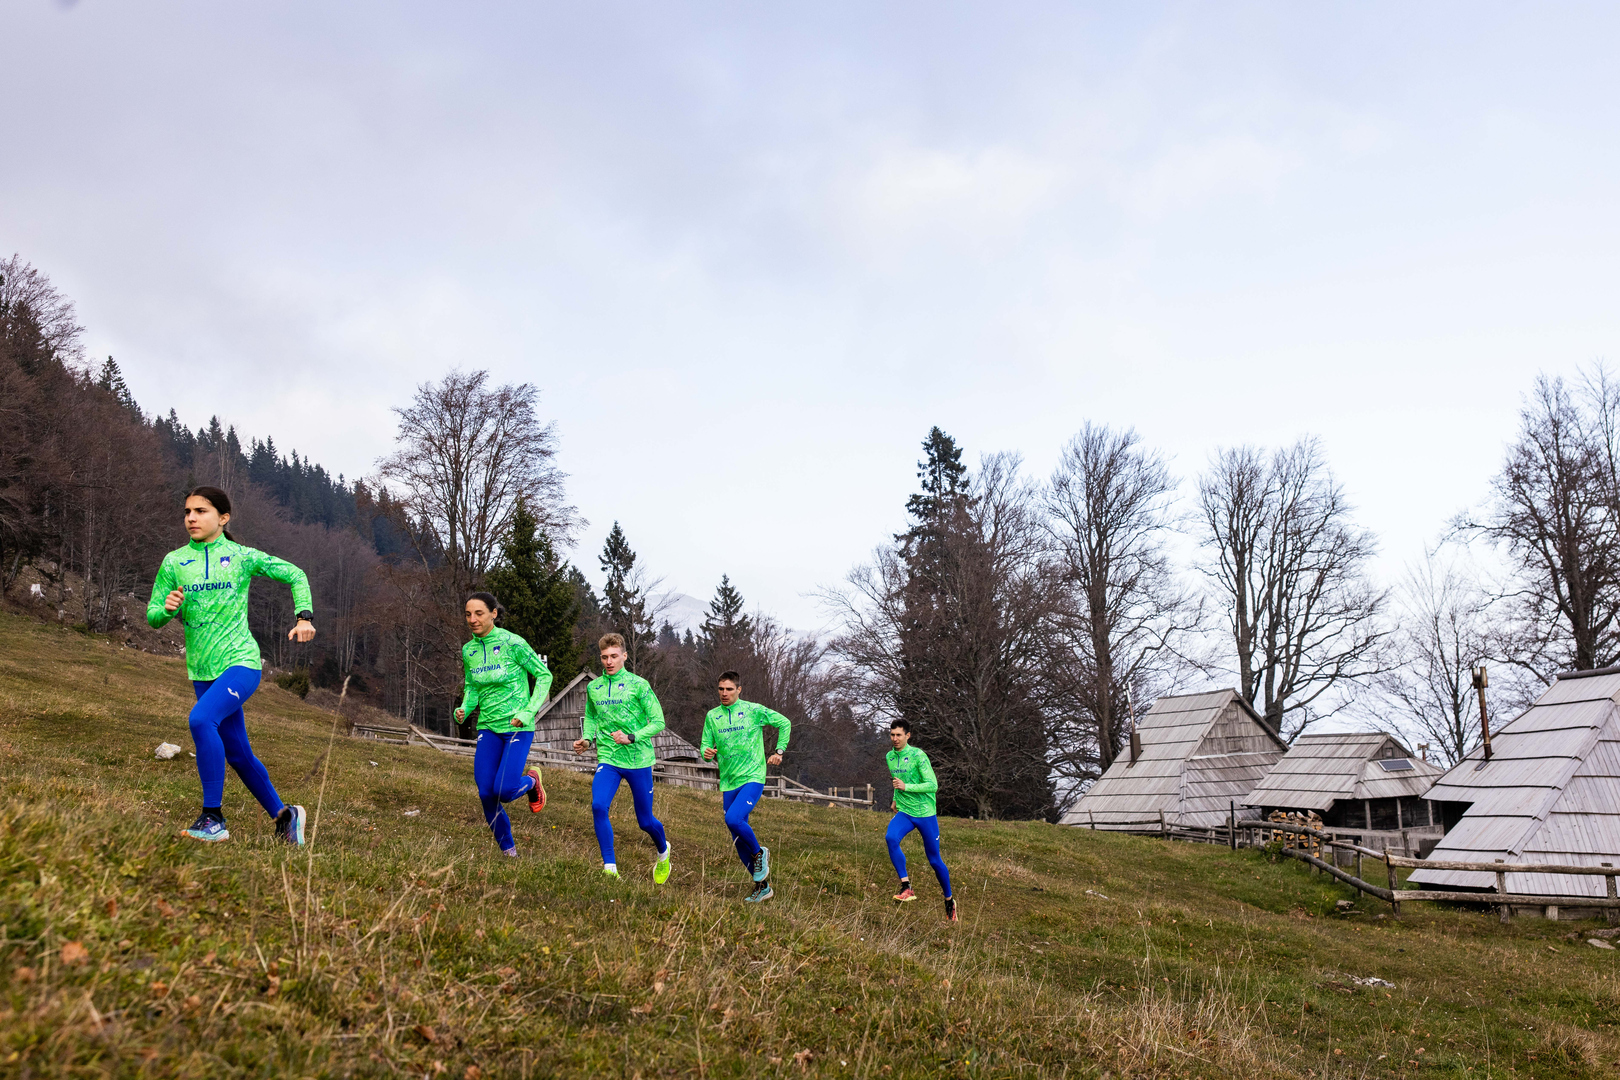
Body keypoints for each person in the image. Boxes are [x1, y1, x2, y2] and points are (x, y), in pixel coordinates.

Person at [146, 486, 315, 845]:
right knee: (237, 752)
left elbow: (296, 574)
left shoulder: (241, 556)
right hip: (201, 670)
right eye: (187, 511)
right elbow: (153, 616)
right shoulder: (174, 562)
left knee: (200, 720)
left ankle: (213, 818)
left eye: (201, 511)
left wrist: (303, 617)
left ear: (223, 518)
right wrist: (167, 609)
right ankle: (286, 817)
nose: (191, 518)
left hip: (240, 662)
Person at [454, 592, 552, 857]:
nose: (472, 619)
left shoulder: (513, 643)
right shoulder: (469, 650)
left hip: (517, 726)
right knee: (486, 793)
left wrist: (529, 711)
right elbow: (472, 686)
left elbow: (544, 676)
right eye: (468, 614)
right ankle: (509, 853)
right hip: (488, 727)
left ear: (493, 614)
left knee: (505, 791)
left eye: (479, 613)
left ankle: (532, 781)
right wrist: (465, 708)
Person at [573, 634, 672, 882]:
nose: (609, 662)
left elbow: (658, 722)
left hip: (638, 760)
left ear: (624, 656)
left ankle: (663, 852)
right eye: (604, 657)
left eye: (614, 656)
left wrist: (632, 737)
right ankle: (610, 869)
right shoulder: (594, 688)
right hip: (609, 758)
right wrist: (587, 739)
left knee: (645, 822)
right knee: (598, 806)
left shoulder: (639, 685)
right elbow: (592, 716)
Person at [700, 671, 790, 904]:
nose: (724, 693)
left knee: (733, 819)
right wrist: (707, 753)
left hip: (753, 776)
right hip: (729, 781)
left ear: (739, 690)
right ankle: (763, 887)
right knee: (738, 839)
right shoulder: (712, 716)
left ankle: (760, 853)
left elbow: (784, 723)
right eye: (721, 689)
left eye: (729, 689)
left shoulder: (753, 710)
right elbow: (705, 747)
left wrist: (779, 751)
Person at [885, 718, 956, 922]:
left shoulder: (918, 756)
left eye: (899, 735)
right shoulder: (890, 757)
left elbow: (933, 785)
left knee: (934, 860)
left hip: (925, 813)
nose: (895, 738)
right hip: (905, 812)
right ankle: (906, 887)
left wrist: (906, 787)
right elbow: (897, 781)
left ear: (908, 735)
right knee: (891, 838)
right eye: (892, 735)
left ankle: (949, 900)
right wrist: (895, 798)